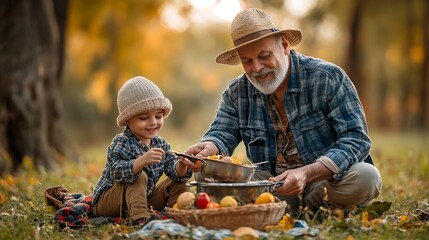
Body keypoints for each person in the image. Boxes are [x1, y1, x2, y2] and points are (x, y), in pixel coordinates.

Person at [183, 8, 381, 214]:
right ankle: (296, 208)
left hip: (324, 182)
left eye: (264, 56)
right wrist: (209, 147)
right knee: (205, 174)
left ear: (284, 45)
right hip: (271, 186)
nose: (257, 68)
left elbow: (356, 138)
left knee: (367, 177)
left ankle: (286, 208)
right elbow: (222, 133)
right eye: (247, 61)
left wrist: (307, 173)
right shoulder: (237, 92)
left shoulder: (327, 77)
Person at [92, 76, 192, 226]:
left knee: (177, 181)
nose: (153, 122)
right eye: (144, 118)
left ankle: (178, 212)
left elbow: (173, 170)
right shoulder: (121, 142)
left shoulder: (161, 144)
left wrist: (182, 165)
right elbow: (116, 172)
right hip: (109, 202)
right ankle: (142, 221)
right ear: (128, 120)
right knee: (138, 176)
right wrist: (140, 162)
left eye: (158, 116)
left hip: (143, 199)